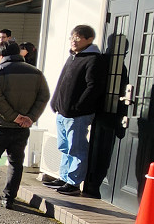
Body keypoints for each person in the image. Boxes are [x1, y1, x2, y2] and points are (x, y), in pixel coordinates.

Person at [0, 40, 49, 209]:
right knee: (16, 162)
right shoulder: (36, 72)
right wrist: (30, 117)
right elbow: (43, 96)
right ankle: (9, 197)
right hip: (22, 127)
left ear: (1, 55)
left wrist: (14, 117)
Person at [46, 24, 108, 197]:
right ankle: (64, 177)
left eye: (78, 37)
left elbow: (93, 87)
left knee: (77, 148)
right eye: (72, 37)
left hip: (78, 115)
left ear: (89, 39)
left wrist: (78, 107)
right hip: (62, 112)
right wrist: (55, 102)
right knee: (64, 147)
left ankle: (73, 183)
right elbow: (62, 82)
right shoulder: (73, 57)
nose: (74, 41)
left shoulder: (94, 59)